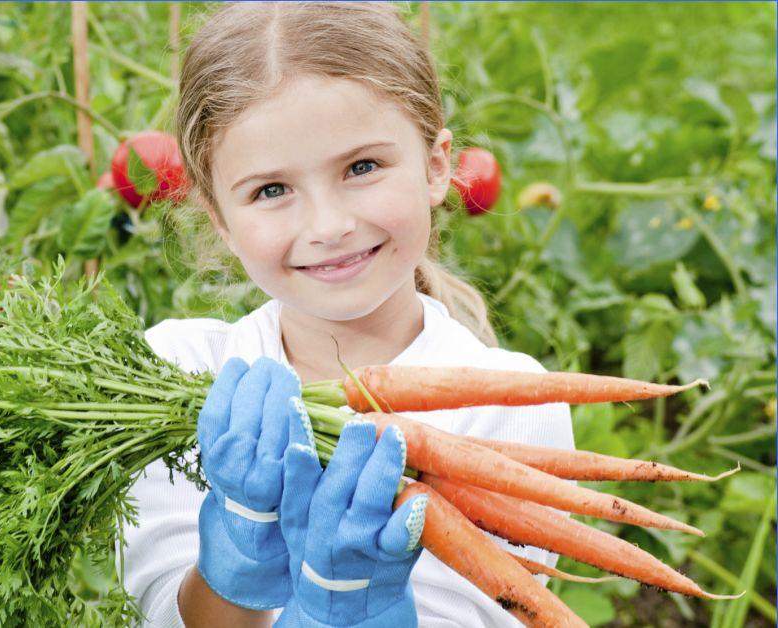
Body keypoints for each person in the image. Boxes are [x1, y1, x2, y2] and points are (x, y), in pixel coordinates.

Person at [121, 3, 574, 627]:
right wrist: (235, 566)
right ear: (220, 219)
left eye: (362, 167)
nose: (329, 226)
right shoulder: (177, 375)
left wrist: (356, 613)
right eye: (271, 190)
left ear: (437, 165)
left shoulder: (514, 404)